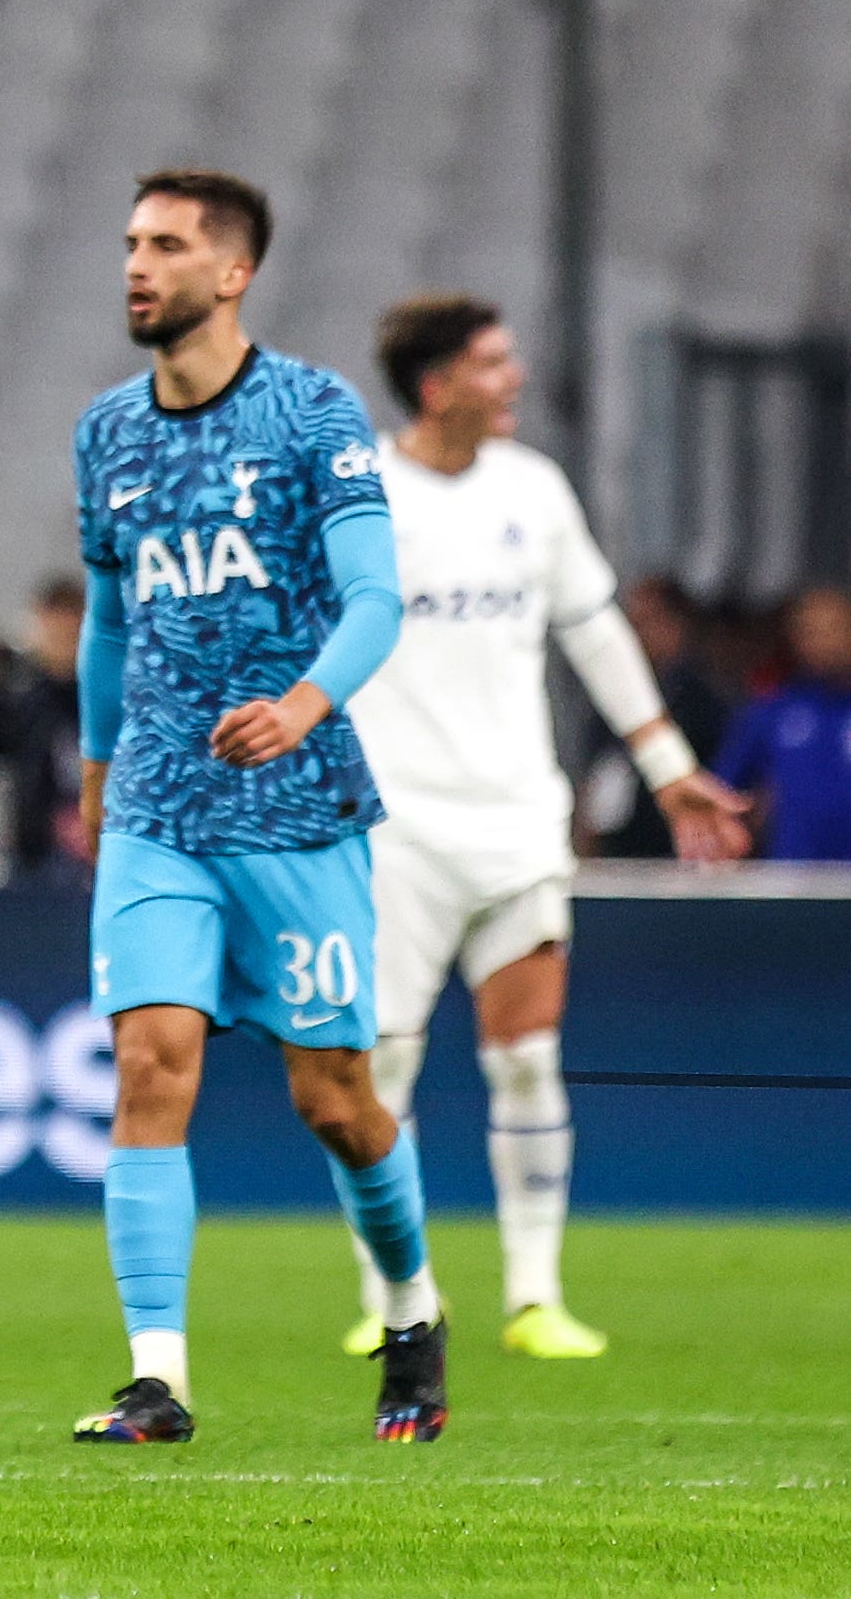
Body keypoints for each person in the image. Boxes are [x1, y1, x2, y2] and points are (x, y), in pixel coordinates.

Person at [71, 169, 444, 1445]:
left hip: (296, 809)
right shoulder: (105, 430)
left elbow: (374, 598)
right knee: (145, 1062)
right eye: (129, 241)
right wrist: (93, 764)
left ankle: (409, 1311)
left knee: (331, 1097)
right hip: (159, 809)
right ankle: (154, 1377)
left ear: (229, 273)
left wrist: (302, 702)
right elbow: (111, 623)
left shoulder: (309, 413)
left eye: (164, 245)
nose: (135, 263)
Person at [341, 295, 751, 1364]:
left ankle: (532, 1296)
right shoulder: (360, 499)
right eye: (491, 361)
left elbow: (595, 633)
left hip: (518, 821)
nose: (513, 375)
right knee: (379, 1067)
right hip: (393, 833)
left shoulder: (533, 490)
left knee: (524, 1058)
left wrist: (667, 770)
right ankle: (393, 1292)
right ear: (435, 386)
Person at [578, 577, 733, 859]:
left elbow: (728, 782)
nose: (635, 634)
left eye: (646, 621)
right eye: (631, 622)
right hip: (618, 857)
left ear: (677, 624)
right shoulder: (610, 700)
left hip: (682, 855)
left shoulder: (706, 701)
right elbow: (597, 777)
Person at [0, 575, 92, 875]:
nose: (62, 638)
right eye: (54, 627)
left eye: (70, 629)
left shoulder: (103, 693)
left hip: (93, 842)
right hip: (33, 847)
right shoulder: (22, 694)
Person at [717, 585, 851, 860]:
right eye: (811, 632)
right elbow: (724, 791)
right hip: (791, 882)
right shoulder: (771, 711)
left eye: (833, 629)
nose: (824, 642)